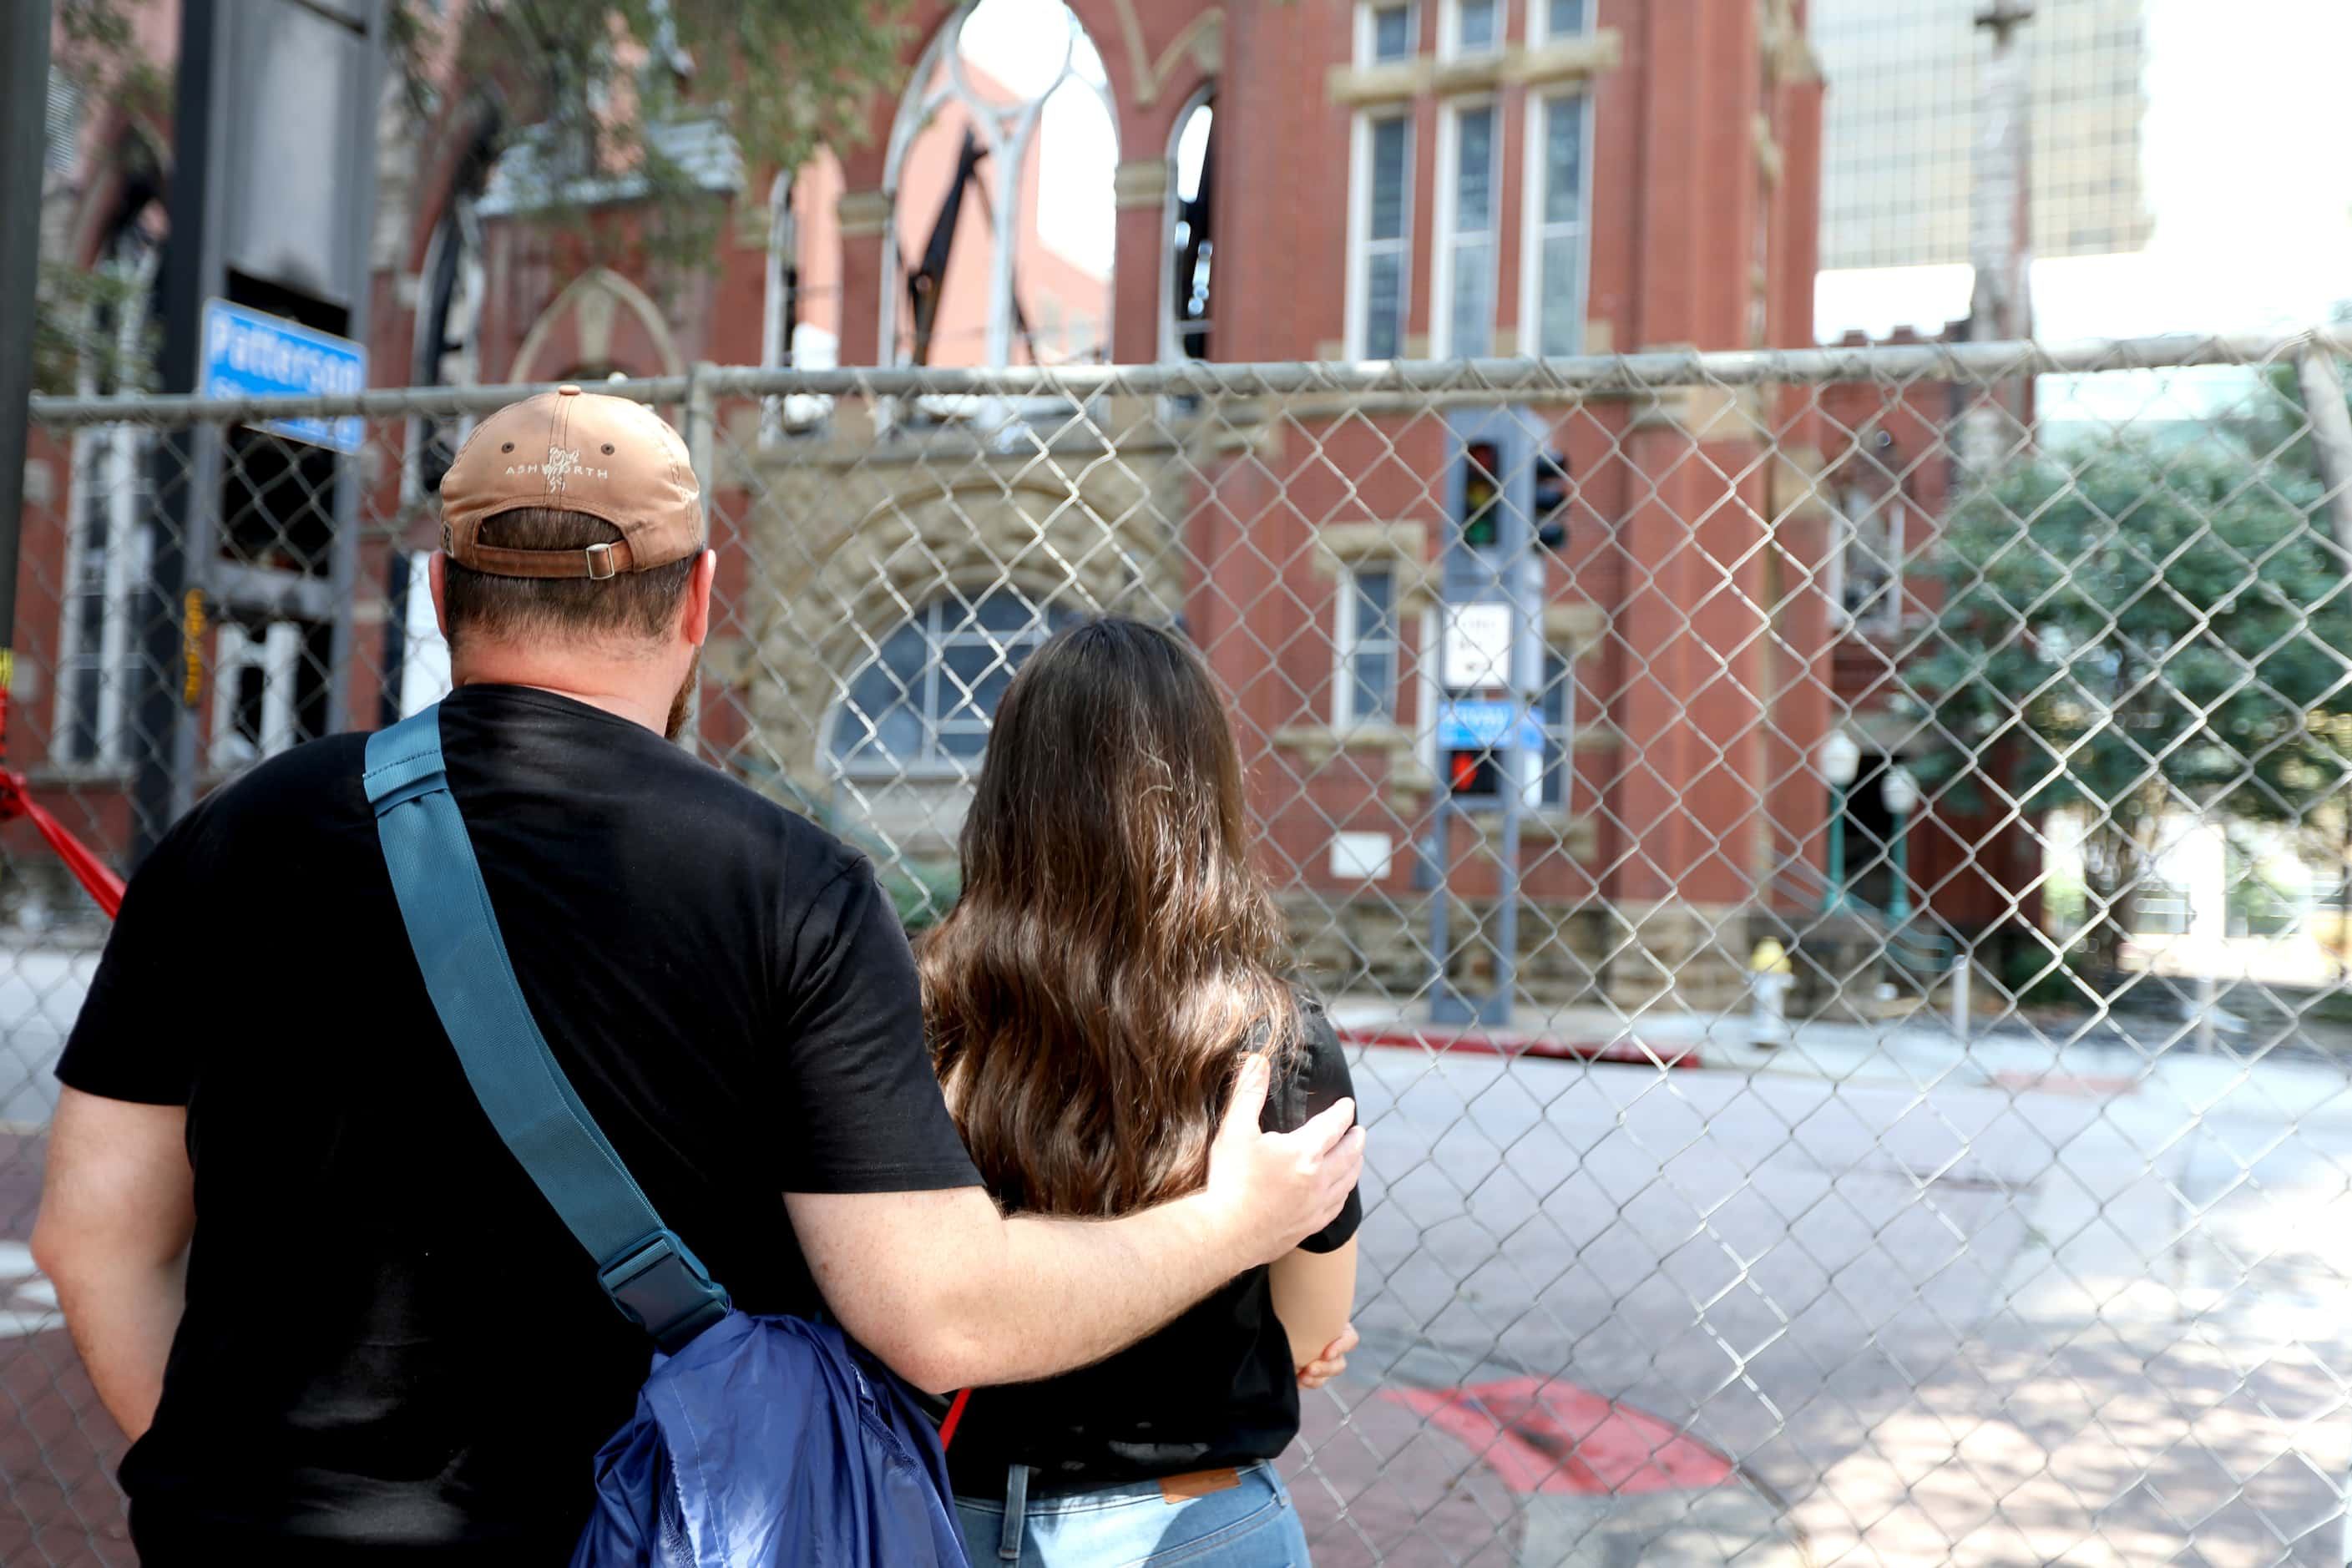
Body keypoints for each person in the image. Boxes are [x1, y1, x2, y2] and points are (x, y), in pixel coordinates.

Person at [31, 387, 1364, 1566]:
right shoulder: (794, 891)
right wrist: (1228, 1226)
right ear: (698, 598)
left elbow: (88, 1238)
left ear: (441, 595)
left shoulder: (223, 839)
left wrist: (254, 1480)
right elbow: (936, 1313)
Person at [920, 618, 1364, 1567]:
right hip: (1191, 1518)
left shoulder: (917, 1006)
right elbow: (1312, 1332)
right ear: (1208, 795)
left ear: (1005, 794)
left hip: (936, 1505)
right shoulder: (1274, 1039)